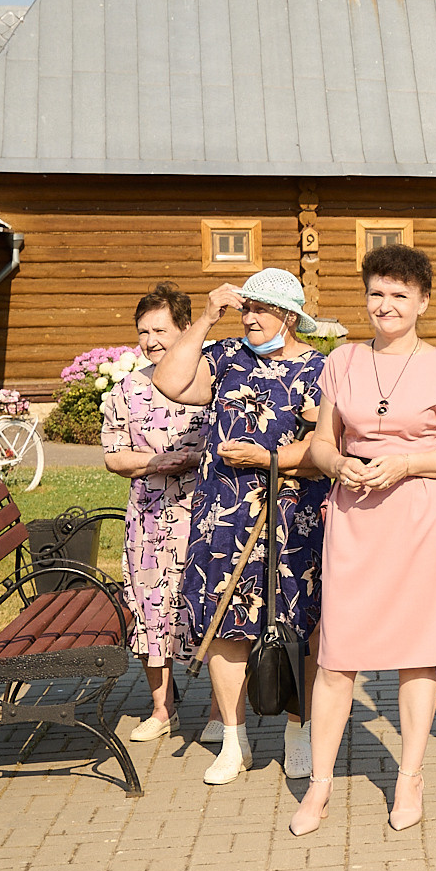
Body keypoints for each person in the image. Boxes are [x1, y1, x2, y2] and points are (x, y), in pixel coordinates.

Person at [294, 244, 436, 836]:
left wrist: (405, 463)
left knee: (415, 652)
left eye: (400, 294)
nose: (386, 304)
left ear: (422, 301)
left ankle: (410, 777)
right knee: (337, 652)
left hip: (416, 512)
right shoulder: (341, 360)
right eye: (377, 292)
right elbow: (322, 441)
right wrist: (336, 464)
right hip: (352, 512)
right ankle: (319, 785)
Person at [155, 267, 329, 786]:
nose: (251, 318)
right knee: (225, 628)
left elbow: (326, 450)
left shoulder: (321, 370)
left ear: (291, 317)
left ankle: (301, 733)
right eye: (246, 308)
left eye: (264, 310)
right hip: (223, 518)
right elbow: (168, 381)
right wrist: (208, 316)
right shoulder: (226, 358)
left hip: (292, 518)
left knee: (302, 628)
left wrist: (268, 456)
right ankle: (234, 740)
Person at [100, 282, 208, 741]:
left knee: (210, 607)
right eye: (144, 331)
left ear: (185, 329)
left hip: (205, 514)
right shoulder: (126, 390)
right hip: (149, 518)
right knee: (151, 609)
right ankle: (163, 710)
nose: (151, 340)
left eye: (161, 329)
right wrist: (154, 462)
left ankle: (226, 715)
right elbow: (114, 455)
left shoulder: (209, 378)